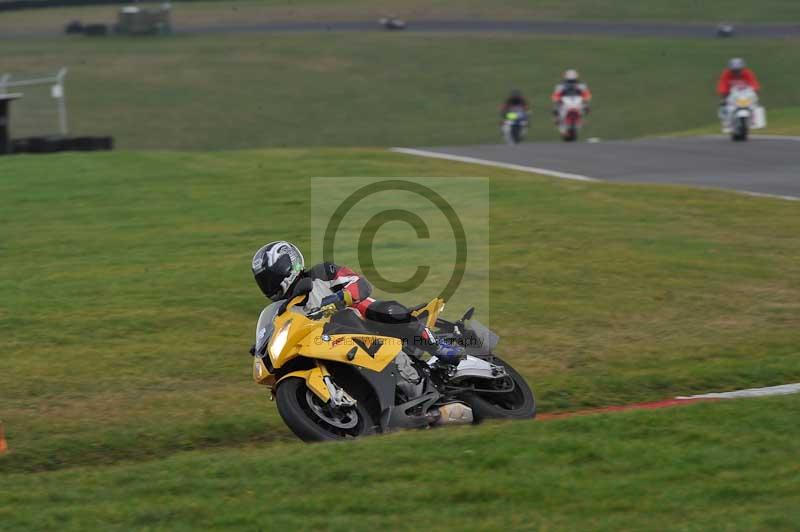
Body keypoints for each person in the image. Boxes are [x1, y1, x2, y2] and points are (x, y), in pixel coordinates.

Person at [251, 241, 465, 369]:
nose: (268, 286)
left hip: (367, 323)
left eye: (270, 278)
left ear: (287, 266)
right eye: (264, 282)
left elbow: (361, 284)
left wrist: (341, 298)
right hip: (334, 347)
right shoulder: (286, 310)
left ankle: (439, 347)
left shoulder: (322, 273)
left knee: (369, 312)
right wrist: (263, 345)